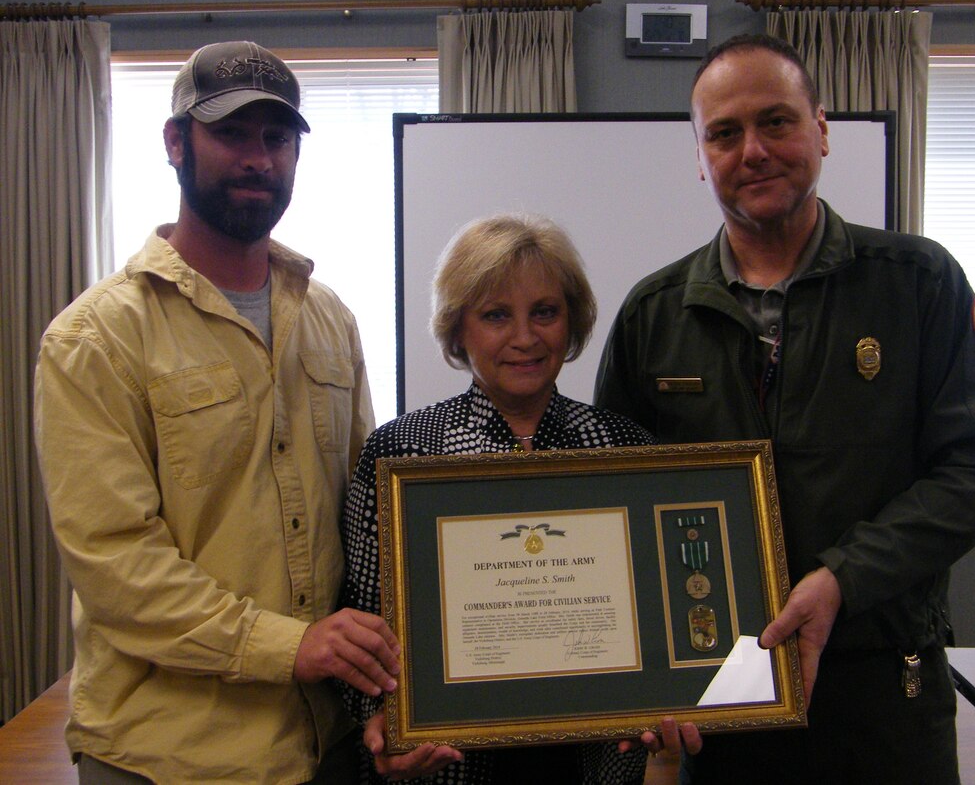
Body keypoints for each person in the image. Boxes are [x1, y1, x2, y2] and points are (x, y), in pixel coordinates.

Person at [594, 34, 975, 783]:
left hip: (884, 697)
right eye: (724, 134)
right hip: (717, 709)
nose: (753, 150)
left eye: (777, 122)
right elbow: (611, 501)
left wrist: (842, 577)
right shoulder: (652, 315)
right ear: (699, 156)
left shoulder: (918, 284)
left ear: (821, 130)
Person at [34, 41, 401, 784]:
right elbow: (117, 567)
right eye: (230, 133)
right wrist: (286, 646)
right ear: (176, 142)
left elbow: (367, 520)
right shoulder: (95, 336)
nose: (257, 158)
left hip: (326, 744)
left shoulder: (330, 318)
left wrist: (394, 690)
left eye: (277, 138)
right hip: (165, 757)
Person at [339, 213, 654, 784]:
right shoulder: (401, 454)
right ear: (458, 328)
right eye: (495, 315)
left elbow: (651, 621)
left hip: (597, 761)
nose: (526, 337)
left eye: (545, 312)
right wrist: (383, 719)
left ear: (572, 321)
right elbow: (364, 619)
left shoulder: (623, 448)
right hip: (448, 765)